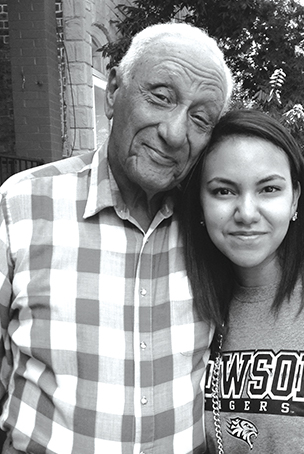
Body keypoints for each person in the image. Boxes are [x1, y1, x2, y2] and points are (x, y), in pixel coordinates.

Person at [0, 22, 233, 453]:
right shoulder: (23, 203)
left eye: (200, 119)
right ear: (112, 92)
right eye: (161, 97)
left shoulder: (214, 224)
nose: (175, 132)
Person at [181, 109, 304, 453]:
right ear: (200, 206)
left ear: (294, 198)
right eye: (223, 191)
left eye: (268, 189)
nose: (247, 213)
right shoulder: (186, 303)